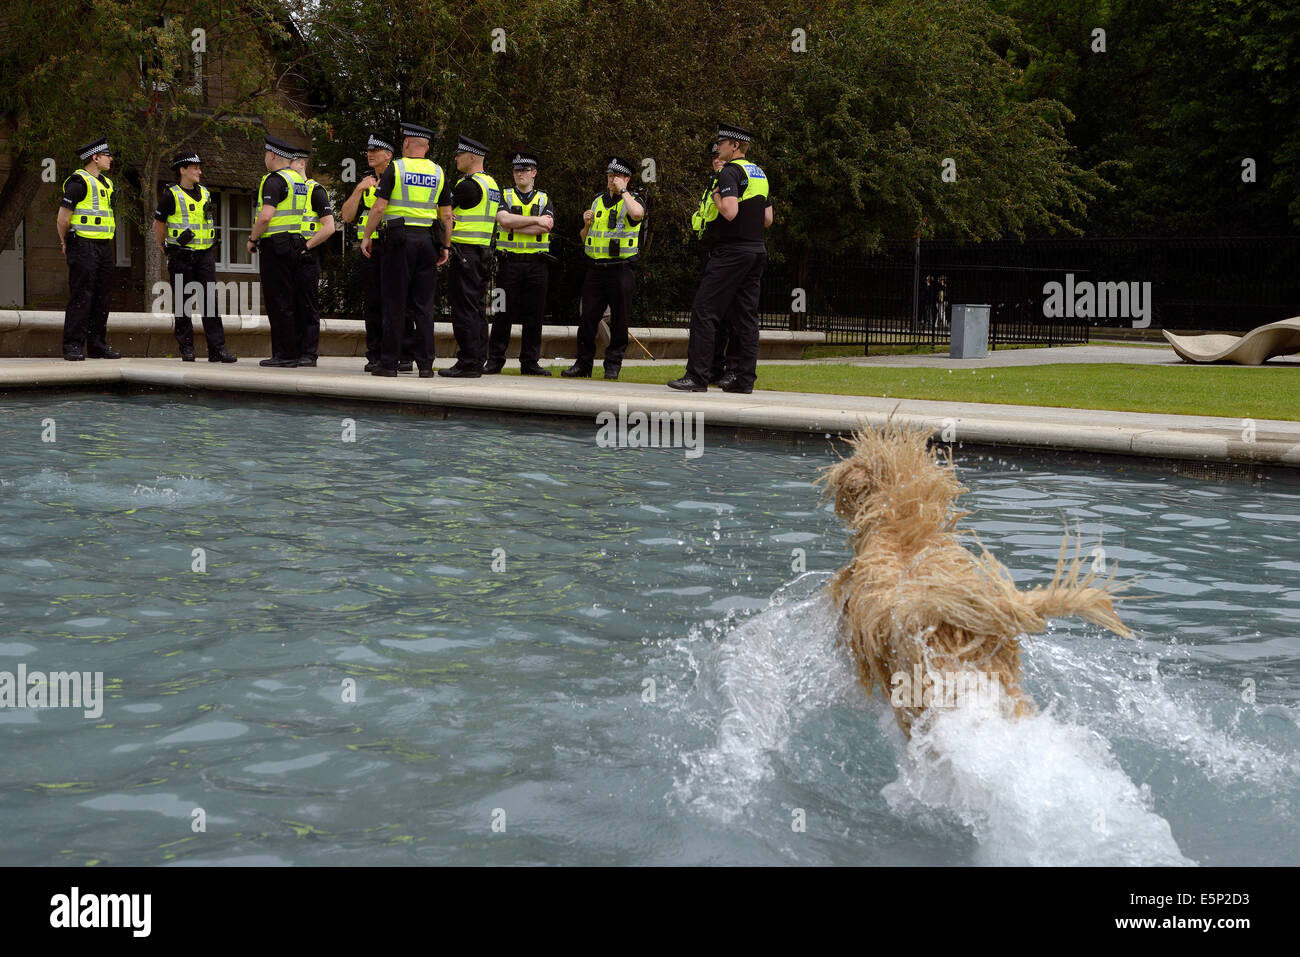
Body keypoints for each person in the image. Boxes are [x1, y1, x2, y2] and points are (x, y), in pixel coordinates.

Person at [669, 124, 769, 394]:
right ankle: (743, 379)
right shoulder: (758, 173)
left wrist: (716, 194)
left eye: (722, 142)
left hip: (731, 253)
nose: (718, 147)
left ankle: (697, 377)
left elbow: (730, 212)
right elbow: (768, 219)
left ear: (735, 146)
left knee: (705, 311)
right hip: (756, 250)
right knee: (746, 317)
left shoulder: (729, 172)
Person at [360, 120, 451, 377]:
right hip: (427, 242)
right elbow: (446, 214)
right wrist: (445, 245)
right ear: (427, 146)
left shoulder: (396, 169)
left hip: (399, 241)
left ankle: (389, 364)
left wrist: (367, 236)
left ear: (408, 143)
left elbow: (378, 207)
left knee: (395, 303)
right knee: (423, 306)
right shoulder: (438, 171)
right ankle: (425, 366)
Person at [562, 156, 645, 380]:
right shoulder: (597, 200)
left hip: (621, 269)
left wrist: (624, 191)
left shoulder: (633, 199)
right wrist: (586, 224)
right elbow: (583, 237)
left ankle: (613, 365)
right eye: (609, 175)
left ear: (626, 179)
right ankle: (583, 363)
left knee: (620, 319)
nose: (611, 180)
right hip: (596, 269)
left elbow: (637, 215)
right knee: (587, 318)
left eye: (616, 176)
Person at [152, 150, 236, 363]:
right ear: (183, 170)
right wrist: (163, 246)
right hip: (181, 256)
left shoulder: (206, 193)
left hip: (205, 255)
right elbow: (158, 225)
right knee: (183, 303)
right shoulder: (171, 195)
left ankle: (217, 350)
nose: (200, 171)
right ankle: (187, 349)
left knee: (210, 302)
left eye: (199, 167)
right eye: (195, 167)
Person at [486, 149, 554, 376]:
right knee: (501, 311)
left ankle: (530, 362)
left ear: (534, 172)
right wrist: (535, 220)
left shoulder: (544, 198)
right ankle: (494, 360)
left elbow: (547, 226)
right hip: (507, 264)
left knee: (534, 315)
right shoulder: (503, 195)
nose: (519, 174)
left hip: (537, 265)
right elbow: (504, 221)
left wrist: (517, 224)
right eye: (516, 170)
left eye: (524, 170)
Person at [440, 135, 501, 378]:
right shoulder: (492, 184)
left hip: (464, 253)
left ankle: (467, 362)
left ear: (472, 156)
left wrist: (444, 215)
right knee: (477, 309)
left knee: (464, 309)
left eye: (460, 154)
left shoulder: (467, 185)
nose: (456, 157)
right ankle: (477, 359)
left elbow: (443, 212)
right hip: (483, 253)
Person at [57, 137, 120, 361]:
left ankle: (97, 345)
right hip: (83, 245)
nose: (110, 159)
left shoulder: (108, 184)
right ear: (95, 157)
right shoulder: (78, 182)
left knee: (102, 297)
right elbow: (63, 219)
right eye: (107, 155)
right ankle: (73, 346)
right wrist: (65, 242)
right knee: (81, 296)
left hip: (104, 247)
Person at [248, 135, 308, 367]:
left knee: (278, 300)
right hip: (295, 243)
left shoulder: (273, 180)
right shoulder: (298, 180)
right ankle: (292, 351)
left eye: (265, 154)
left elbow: (265, 216)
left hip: (276, 245)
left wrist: (252, 239)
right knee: (291, 299)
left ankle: (284, 355)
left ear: (272, 155)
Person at [340, 132, 394, 372]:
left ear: (388, 155)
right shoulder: (366, 182)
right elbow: (346, 216)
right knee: (372, 304)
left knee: (394, 302)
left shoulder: (399, 178)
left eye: (375, 151)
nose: (370, 154)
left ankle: (398, 353)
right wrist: (358, 190)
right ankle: (374, 354)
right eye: (368, 151)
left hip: (393, 247)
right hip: (370, 251)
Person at [290, 146, 336, 367]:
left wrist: (306, 247)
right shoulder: (285, 190)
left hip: (307, 255)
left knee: (307, 306)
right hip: (287, 255)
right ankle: (292, 351)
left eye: (289, 163)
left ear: (301, 164)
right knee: (289, 306)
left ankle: (308, 354)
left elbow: (329, 228)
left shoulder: (315, 190)